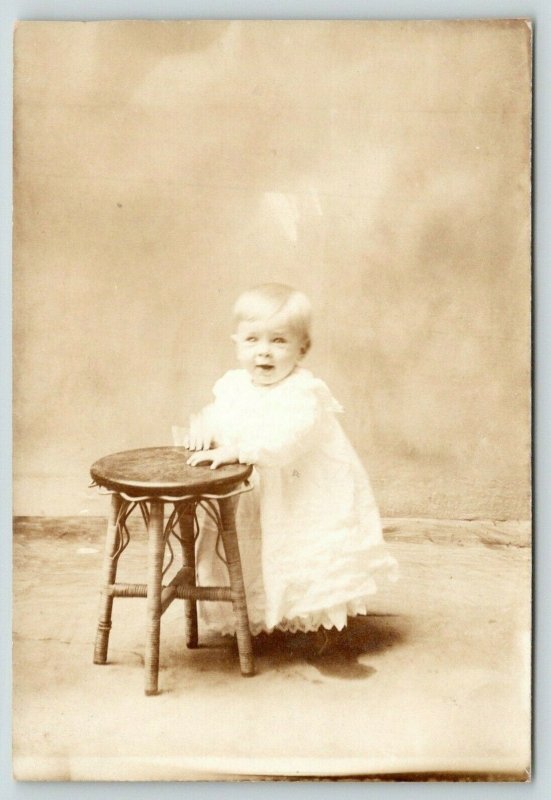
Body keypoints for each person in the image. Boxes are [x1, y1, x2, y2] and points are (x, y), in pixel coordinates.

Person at [177, 283, 398, 639]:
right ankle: (259, 616)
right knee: (252, 552)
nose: (264, 352)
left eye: (278, 341)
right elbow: (218, 415)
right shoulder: (233, 386)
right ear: (236, 342)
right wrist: (204, 429)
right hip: (254, 492)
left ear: (302, 348)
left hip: (300, 490)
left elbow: (285, 440)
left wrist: (237, 451)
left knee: (299, 549)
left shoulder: (303, 394)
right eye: (252, 340)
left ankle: (310, 622)